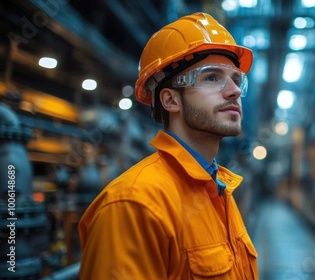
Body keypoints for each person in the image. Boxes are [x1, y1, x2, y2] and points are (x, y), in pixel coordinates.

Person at [78, 12, 258, 279]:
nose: (233, 90)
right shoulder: (134, 204)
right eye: (211, 77)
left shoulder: (220, 190)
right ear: (171, 101)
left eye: (236, 79)